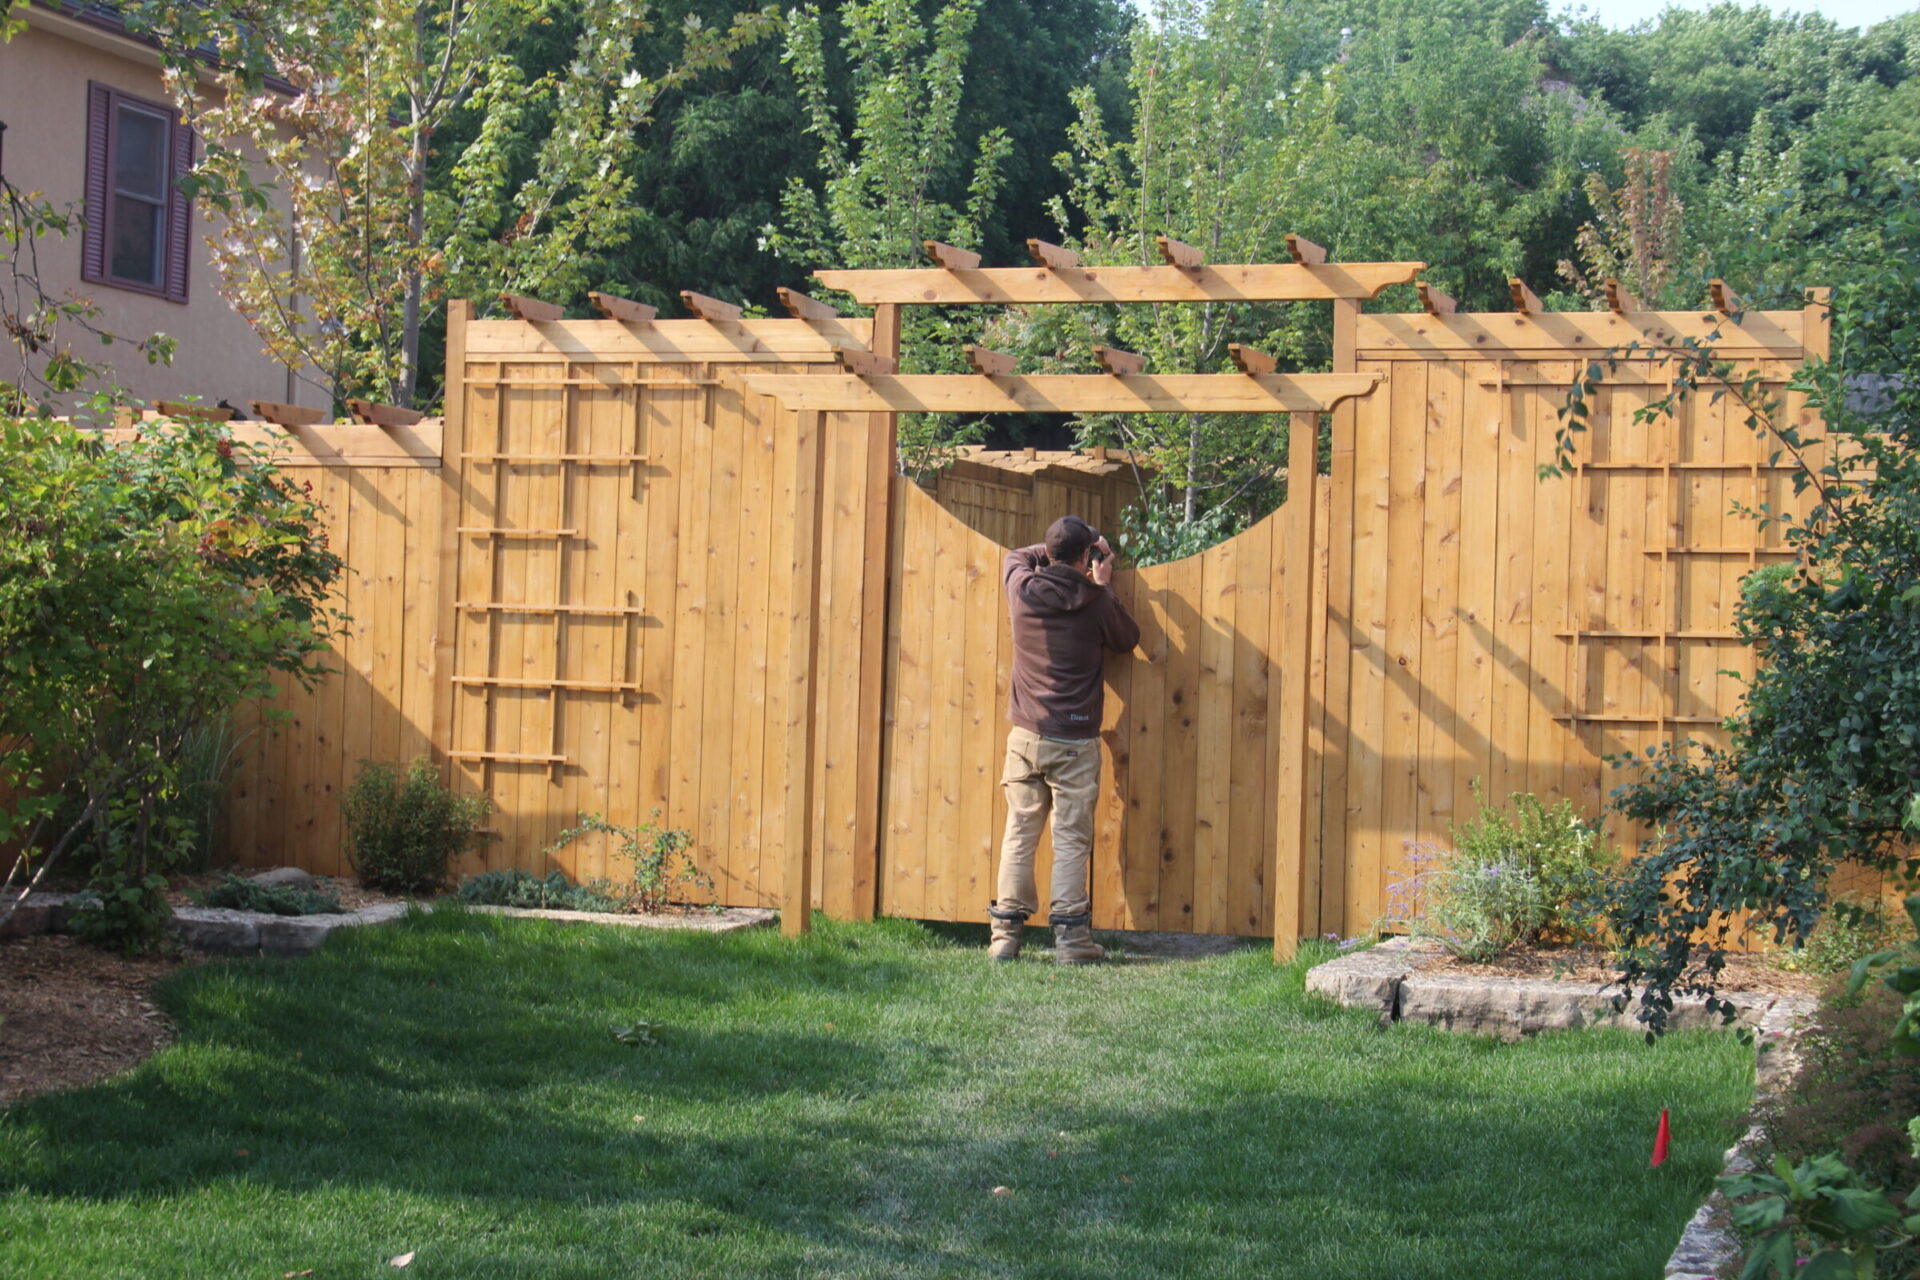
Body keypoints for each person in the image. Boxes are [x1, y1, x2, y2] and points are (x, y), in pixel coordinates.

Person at [987, 514, 1140, 963]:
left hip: (1026, 737)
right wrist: (1102, 577)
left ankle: (1005, 938)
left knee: (1019, 833)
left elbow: (1019, 556)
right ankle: (1072, 942)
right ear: (1086, 556)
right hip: (1074, 739)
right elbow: (1128, 640)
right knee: (1071, 839)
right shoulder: (1095, 601)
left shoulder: (1022, 589)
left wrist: (1063, 552)